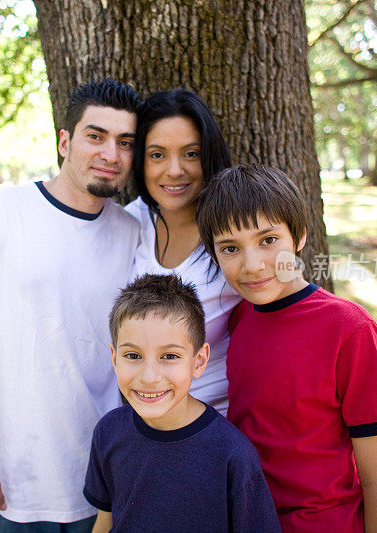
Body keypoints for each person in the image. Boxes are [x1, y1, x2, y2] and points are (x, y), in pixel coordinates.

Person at [0, 79, 141, 531]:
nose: (111, 154)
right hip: (10, 486)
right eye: (95, 136)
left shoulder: (132, 232)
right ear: (65, 141)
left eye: (125, 143)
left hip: (99, 482)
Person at [196, 164, 377, 532]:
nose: (253, 264)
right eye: (230, 248)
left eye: (268, 240)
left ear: (300, 235)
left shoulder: (348, 328)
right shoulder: (239, 319)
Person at [84, 274, 281, 532]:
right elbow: (105, 522)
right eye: (133, 355)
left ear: (199, 361)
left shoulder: (232, 455)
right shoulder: (108, 432)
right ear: (114, 357)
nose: (150, 377)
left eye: (169, 356)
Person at [124, 89, 241, 415]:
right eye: (157, 155)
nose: (174, 170)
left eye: (190, 154)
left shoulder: (236, 229)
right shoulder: (129, 222)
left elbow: (292, 295)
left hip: (217, 428)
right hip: (143, 426)